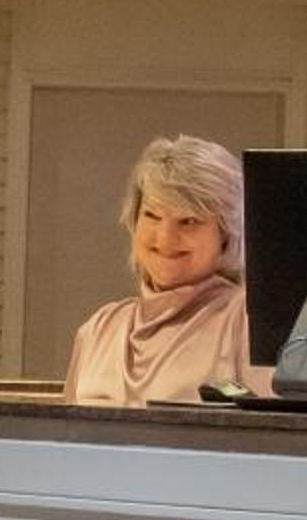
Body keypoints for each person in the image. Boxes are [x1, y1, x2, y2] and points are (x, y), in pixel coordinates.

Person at [62, 134, 261, 406]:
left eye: (188, 221)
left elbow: (277, 430)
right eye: (152, 216)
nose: (165, 238)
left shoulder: (248, 322)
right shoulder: (98, 329)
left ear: (227, 234)